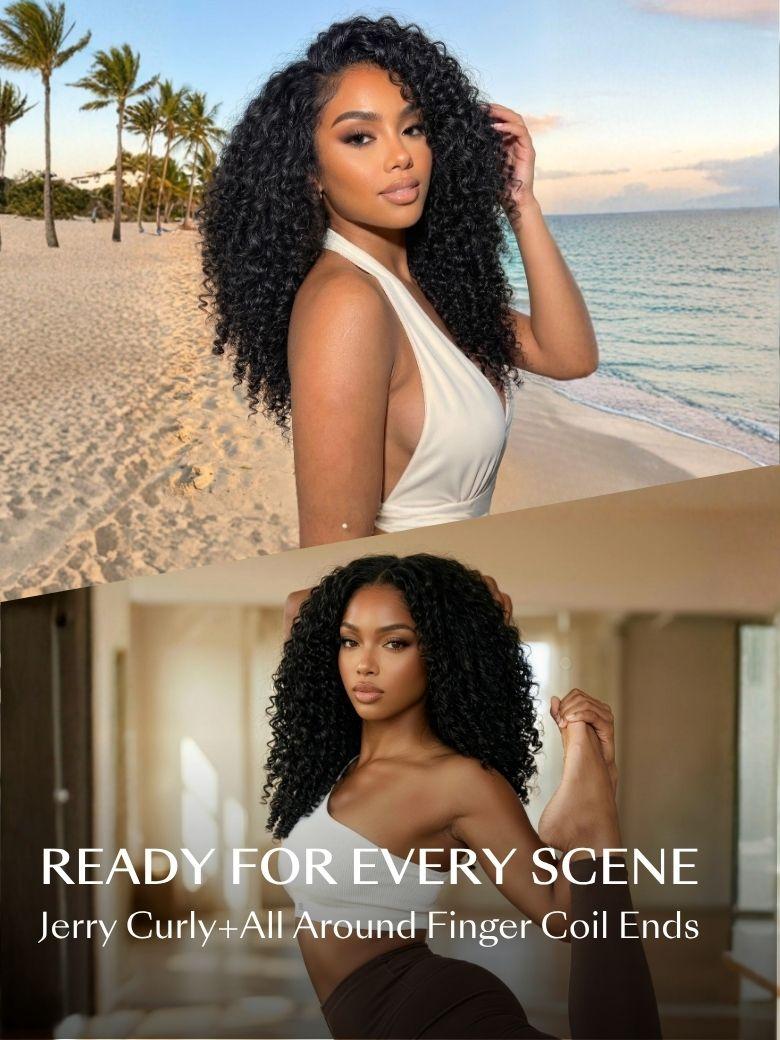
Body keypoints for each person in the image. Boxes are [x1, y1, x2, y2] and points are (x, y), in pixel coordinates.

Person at [199, 16, 598, 547]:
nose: (401, 156)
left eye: (412, 128)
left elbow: (569, 355)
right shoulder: (347, 304)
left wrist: (520, 204)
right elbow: (331, 550)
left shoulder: (428, 284)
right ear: (310, 171)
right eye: (360, 137)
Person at [263, 554, 662, 1039]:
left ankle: (591, 826)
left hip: (431, 1017)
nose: (364, 664)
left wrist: (465, 620)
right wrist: (471, 604)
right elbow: (300, 606)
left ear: (441, 653)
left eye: (396, 643)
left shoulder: (460, 780)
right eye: (350, 641)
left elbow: (560, 913)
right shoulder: (333, 756)